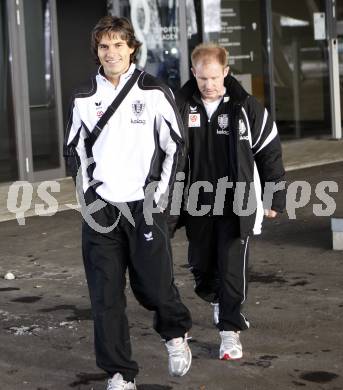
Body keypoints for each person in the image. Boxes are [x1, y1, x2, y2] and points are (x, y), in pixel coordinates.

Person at [63, 16, 192, 390]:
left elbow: (176, 146)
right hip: (101, 209)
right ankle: (120, 373)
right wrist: (88, 195)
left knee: (154, 287)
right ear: (97, 52)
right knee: (105, 296)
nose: (112, 52)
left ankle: (174, 334)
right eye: (104, 46)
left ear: (132, 48)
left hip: (144, 204)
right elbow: (74, 149)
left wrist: (162, 194)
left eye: (119, 44)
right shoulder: (84, 96)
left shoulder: (153, 91)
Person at [175, 43, 286, 361]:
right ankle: (216, 298)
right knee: (202, 266)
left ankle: (230, 331)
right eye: (202, 78)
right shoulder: (180, 106)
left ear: (225, 72)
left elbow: (269, 153)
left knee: (233, 267)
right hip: (196, 203)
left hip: (238, 203)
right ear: (193, 73)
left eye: (214, 77)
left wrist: (273, 195)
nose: (208, 85)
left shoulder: (246, 107)